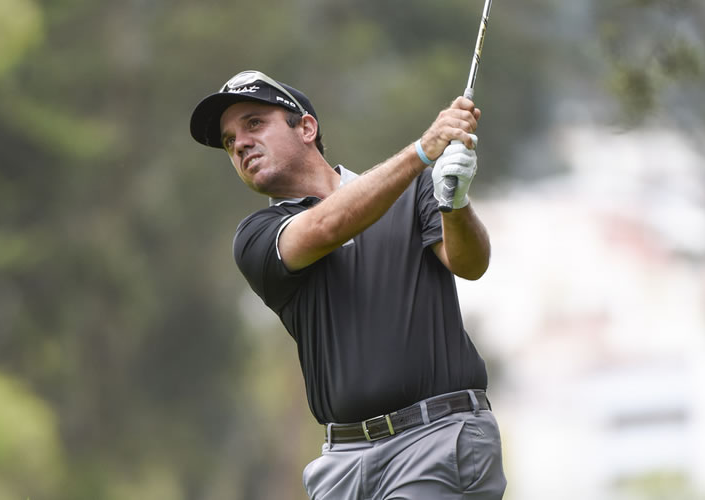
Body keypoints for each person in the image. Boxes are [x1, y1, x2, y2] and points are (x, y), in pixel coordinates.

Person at [190, 70, 506, 499]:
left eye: (253, 123)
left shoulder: (412, 189)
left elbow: (470, 264)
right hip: (343, 465)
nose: (240, 144)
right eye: (229, 141)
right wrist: (421, 151)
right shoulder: (257, 236)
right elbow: (326, 226)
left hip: (437, 440)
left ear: (306, 127)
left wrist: (456, 203)